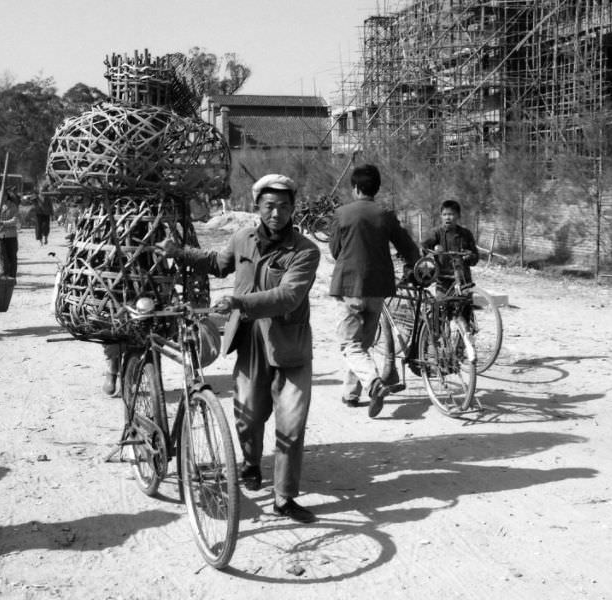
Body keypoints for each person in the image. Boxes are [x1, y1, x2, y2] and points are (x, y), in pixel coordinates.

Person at [161, 173, 321, 523]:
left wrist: (238, 302)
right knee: (247, 416)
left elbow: (289, 295)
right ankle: (250, 462)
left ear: (293, 208)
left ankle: (284, 497)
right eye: (269, 206)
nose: (276, 213)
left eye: (283, 207)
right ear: (257, 208)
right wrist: (180, 253)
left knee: (291, 426)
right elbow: (218, 264)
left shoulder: (306, 250)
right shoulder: (242, 238)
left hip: (288, 346)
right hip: (250, 343)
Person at [329, 164, 420, 417]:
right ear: (376, 188)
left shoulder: (342, 213)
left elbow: (335, 250)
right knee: (363, 345)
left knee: (350, 345)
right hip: (378, 290)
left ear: (355, 188)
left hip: (349, 287)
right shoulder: (385, 214)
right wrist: (414, 268)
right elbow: (408, 248)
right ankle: (351, 394)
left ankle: (374, 383)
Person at [422, 199, 480, 296]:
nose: (447, 218)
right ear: (441, 216)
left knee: (465, 307)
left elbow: (475, 256)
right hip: (443, 280)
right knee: (441, 307)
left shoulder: (466, 234)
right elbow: (424, 247)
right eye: (444, 215)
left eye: (451, 214)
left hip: (463, 280)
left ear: (458, 216)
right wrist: (430, 253)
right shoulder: (436, 233)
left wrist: (470, 256)